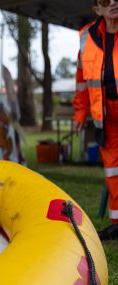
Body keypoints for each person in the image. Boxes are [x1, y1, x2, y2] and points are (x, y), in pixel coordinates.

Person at [73, 0, 118, 241]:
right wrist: (80, 112)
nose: (112, 2)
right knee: (112, 170)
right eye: (104, 0)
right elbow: (81, 80)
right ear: (97, 9)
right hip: (105, 115)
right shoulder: (86, 37)